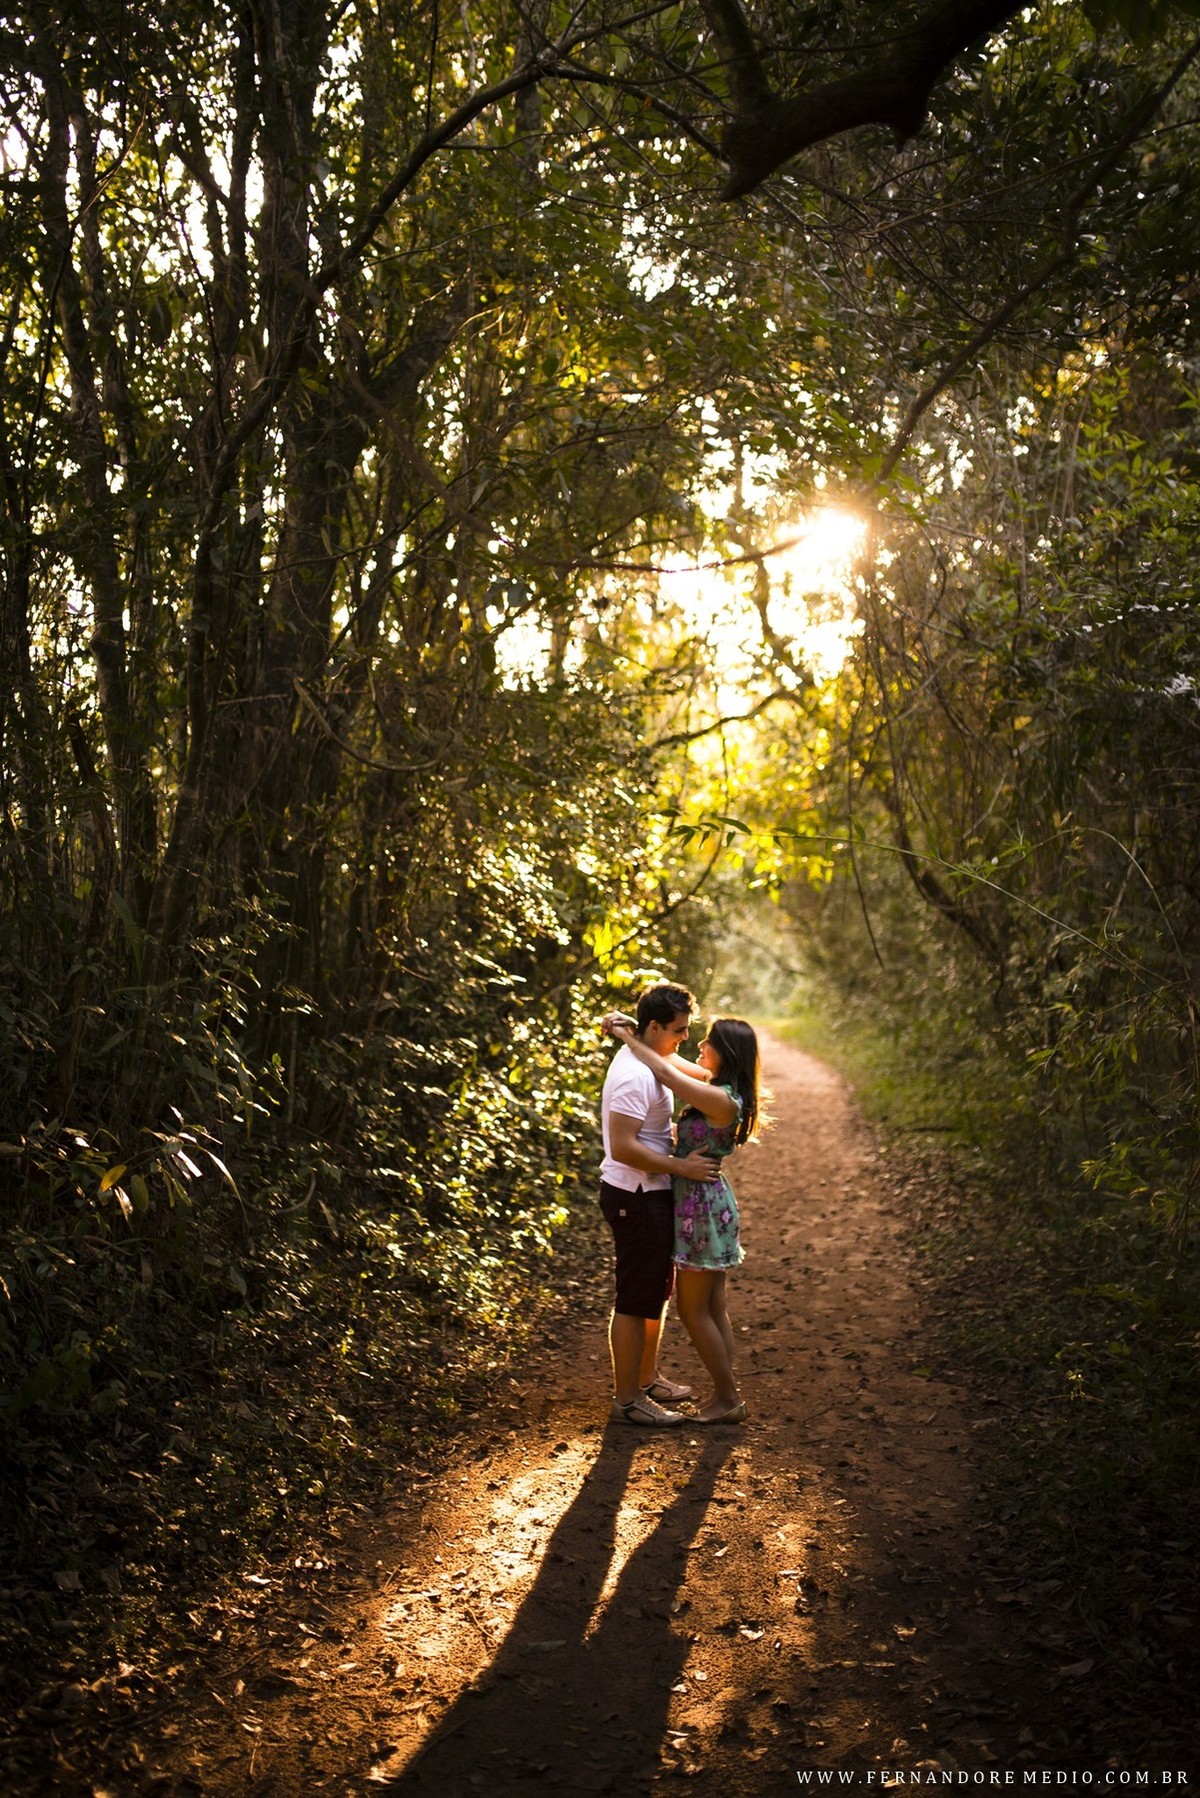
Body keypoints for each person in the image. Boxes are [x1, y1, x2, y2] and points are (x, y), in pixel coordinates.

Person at [603, 1014, 761, 1425]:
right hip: (707, 1204)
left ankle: (728, 1398)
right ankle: (728, 1394)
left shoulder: (722, 1099)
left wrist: (625, 1035)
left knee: (696, 1312)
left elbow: (663, 1070)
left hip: (700, 1209)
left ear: (725, 1052)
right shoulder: (722, 1087)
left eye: (706, 1041)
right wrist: (637, 1034)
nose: (697, 1045)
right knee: (714, 1306)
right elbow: (669, 1064)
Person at [599, 983, 721, 1427]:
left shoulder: (654, 1057)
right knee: (635, 1299)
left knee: (656, 1291)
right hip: (634, 1194)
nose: (685, 1038)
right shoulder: (634, 1075)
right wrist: (681, 1167)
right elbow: (623, 1147)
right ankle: (628, 1400)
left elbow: (694, 1073)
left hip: (652, 1192)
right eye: (678, 1030)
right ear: (654, 1027)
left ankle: (646, 1379)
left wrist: (626, 1032)